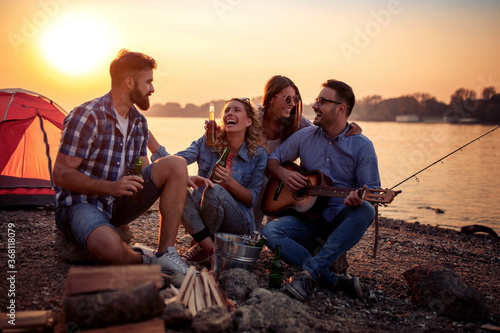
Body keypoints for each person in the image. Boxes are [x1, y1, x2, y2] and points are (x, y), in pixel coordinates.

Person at [52, 49, 189, 275]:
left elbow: (146, 170)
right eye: (148, 82)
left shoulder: (139, 122)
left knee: (177, 164)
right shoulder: (87, 116)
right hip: (81, 204)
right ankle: (143, 259)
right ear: (129, 82)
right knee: (109, 249)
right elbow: (61, 174)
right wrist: (110, 187)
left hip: (118, 203)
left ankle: (166, 253)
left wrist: (179, 177)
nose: (152, 89)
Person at [261, 79, 380, 301]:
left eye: (322, 102)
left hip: (339, 225)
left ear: (341, 109)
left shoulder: (363, 146)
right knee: (269, 232)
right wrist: (283, 174)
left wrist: (358, 199)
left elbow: (371, 193)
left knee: (366, 210)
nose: (314, 106)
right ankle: (327, 278)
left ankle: (309, 273)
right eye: (317, 100)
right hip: (307, 220)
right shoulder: (304, 135)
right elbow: (272, 159)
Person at [149, 98, 267, 266]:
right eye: (227, 111)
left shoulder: (258, 154)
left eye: (236, 110)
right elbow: (174, 162)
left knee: (214, 190)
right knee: (176, 188)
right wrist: (147, 137)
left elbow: (253, 199)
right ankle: (212, 251)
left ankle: (202, 246)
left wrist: (229, 181)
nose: (230, 113)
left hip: (236, 222)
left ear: (249, 121)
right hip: (205, 216)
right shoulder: (207, 143)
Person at [254, 75, 362, 231]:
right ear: (271, 98)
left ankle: (276, 232)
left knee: (276, 226)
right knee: (259, 183)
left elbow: (323, 130)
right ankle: (251, 235)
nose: (292, 104)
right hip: (253, 175)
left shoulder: (297, 122)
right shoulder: (254, 116)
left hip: (280, 183)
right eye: (287, 99)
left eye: (295, 99)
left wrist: (347, 125)